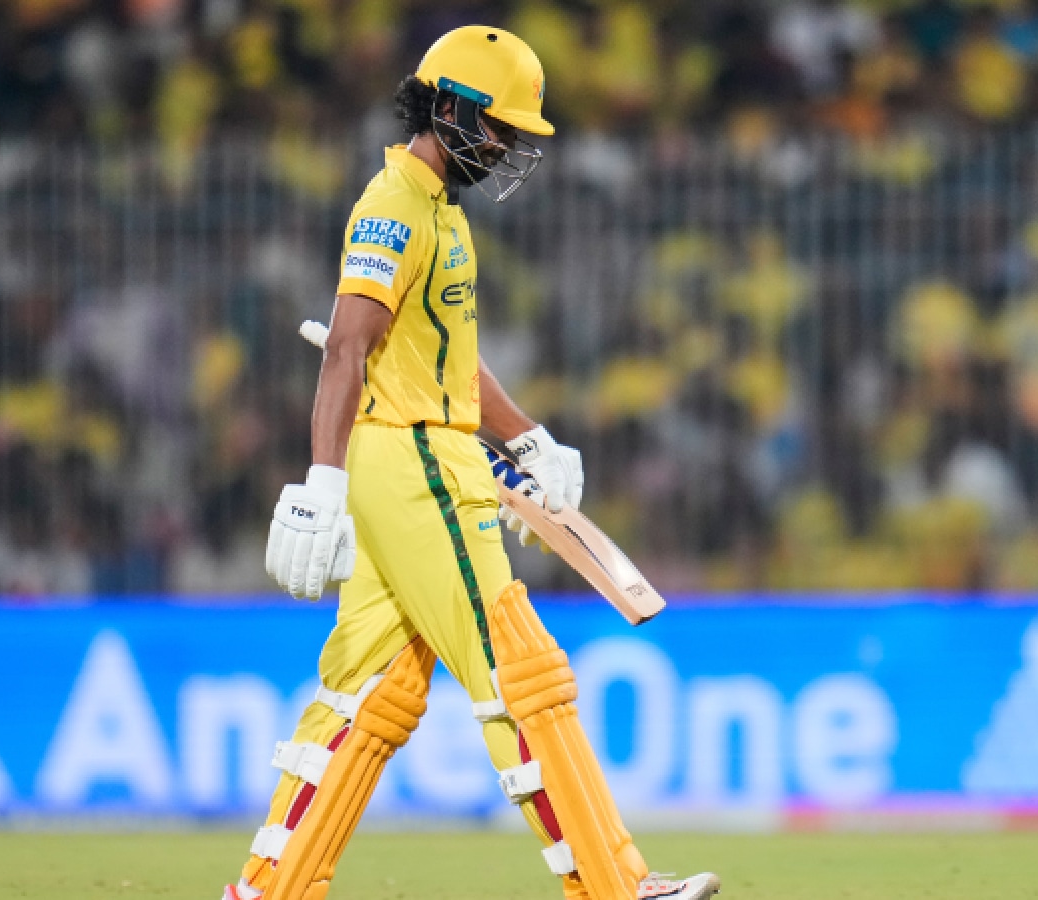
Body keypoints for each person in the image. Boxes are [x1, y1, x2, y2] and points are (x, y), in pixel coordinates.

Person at [226, 26, 720, 900]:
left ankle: (268, 891)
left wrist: (525, 436)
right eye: (498, 127)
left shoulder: (437, 209)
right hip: (418, 464)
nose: (508, 147)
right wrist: (321, 484)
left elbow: (445, 359)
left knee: (367, 696)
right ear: (447, 106)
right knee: (521, 672)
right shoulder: (394, 207)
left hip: (423, 450)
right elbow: (347, 348)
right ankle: (613, 887)